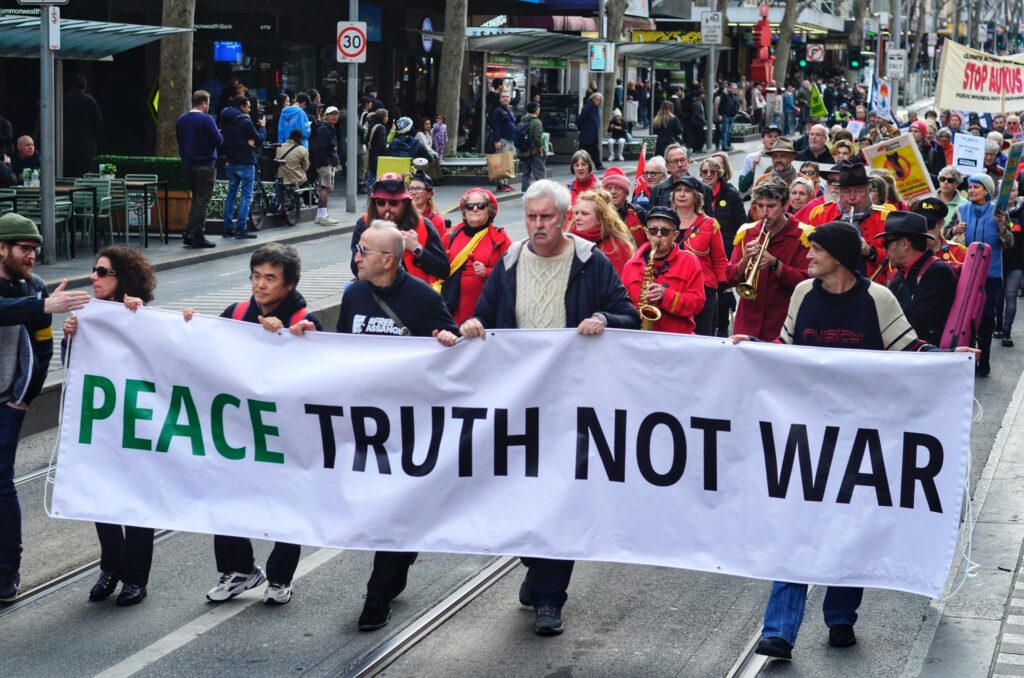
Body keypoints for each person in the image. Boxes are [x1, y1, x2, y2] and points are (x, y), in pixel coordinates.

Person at [734, 221, 978, 662]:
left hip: (863, 436)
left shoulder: (877, 298)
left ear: (840, 257)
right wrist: (749, 345)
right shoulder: (803, 294)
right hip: (807, 434)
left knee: (850, 526)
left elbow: (910, 350)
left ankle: (841, 617)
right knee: (795, 526)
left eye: (816, 250)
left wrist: (949, 360)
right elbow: (783, 350)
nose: (808, 256)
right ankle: (779, 631)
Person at [440, 180, 639, 636]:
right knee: (519, 496)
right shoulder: (509, 263)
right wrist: (471, 325)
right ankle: (536, 566)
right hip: (519, 403)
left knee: (560, 500)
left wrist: (603, 318)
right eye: (531, 216)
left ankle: (550, 596)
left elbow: (626, 312)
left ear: (565, 218)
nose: (538, 224)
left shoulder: (591, 263)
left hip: (572, 405)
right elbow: (484, 314)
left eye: (547, 216)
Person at [290, 221, 458, 631]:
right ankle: (402, 553)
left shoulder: (422, 298)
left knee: (396, 509)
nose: (356, 257)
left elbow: (453, 347)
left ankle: (377, 596)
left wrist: (449, 340)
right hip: (365, 424)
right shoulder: (354, 294)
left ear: (388, 259)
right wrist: (312, 335)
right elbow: (343, 348)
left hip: (409, 426)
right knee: (375, 509)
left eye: (364, 251)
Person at [199, 244, 322, 606]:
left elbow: (320, 374)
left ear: (290, 284)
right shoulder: (236, 313)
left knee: (286, 501)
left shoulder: (305, 320)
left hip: (285, 433)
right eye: (256, 276)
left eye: (270, 278)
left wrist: (286, 338)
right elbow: (203, 350)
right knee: (226, 495)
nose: (260, 285)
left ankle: (281, 577)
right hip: (238, 428)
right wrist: (188, 326)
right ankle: (239, 569)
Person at [0, 215, 90, 601]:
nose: (32, 255)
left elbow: (42, 346)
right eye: (25, 248)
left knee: (2, 484)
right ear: (1, 248)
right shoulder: (36, 296)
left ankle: (7, 571)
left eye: (35, 249)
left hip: (6, 402)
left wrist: (23, 398)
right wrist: (41, 305)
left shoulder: (35, 286)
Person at [62, 248, 156, 606]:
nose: (94, 277)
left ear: (123, 279)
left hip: (136, 424)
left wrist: (140, 319)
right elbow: (74, 367)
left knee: (137, 499)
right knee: (101, 496)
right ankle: (111, 567)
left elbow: (163, 360)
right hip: (101, 424)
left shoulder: (141, 315)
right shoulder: (88, 314)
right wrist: (70, 338)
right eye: (94, 270)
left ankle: (136, 577)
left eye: (103, 272)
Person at [727, 180, 811, 341]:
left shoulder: (804, 235)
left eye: (771, 206)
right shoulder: (746, 232)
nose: (764, 213)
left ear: (785, 204)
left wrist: (776, 265)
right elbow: (730, 278)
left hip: (782, 325)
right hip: (747, 324)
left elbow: (806, 284)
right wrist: (744, 260)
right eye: (760, 206)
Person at [950, 174, 1012, 376]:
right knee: (966, 318)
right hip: (965, 272)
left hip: (990, 275)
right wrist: (954, 230)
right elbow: (946, 235)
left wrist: (1002, 227)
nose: (971, 190)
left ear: (987, 190)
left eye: (976, 187)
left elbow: (1009, 243)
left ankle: (984, 361)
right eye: (970, 187)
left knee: (986, 318)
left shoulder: (999, 212)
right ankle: (967, 360)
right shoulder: (961, 210)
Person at [349, 173, 449, 283]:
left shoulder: (424, 225)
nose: (387, 208)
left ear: (405, 203)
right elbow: (355, 268)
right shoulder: (364, 223)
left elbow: (444, 270)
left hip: (413, 291)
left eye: (393, 203)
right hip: (372, 290)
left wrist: (417, 248)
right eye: (380, 203)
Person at [875, 212, 956, 346]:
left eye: (886, 243)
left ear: (905, 244)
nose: (884, 250)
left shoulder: (938, 272)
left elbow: (914, 322)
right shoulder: (899, 274)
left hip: (923, 353)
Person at [621, 206, 705, 333]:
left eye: (665, 231)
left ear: (675, 235)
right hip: (640, 335)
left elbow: (697, 303)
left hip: (675, 337)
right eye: (653, 231)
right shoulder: (631, 264)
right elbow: (622, 303)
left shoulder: (689, 261)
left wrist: (666, 296)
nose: (658, 235)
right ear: (646, 233)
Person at [806, 160, 890, 283]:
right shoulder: (819, 214)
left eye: (859, 191)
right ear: (840, 191)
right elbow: (807, 256)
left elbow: (897, 262)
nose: (852, 197)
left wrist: (870, 251)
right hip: (828, 284)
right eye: (847, 191)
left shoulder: (886, 217)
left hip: (871, 286)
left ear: (868, 191)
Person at [439, 189, 512, 324]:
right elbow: (435, 268)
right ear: (464, 211)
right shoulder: (449, 235)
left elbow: (512, 273)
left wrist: (487, 272)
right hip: (451, 308)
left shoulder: (500, 238)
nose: (475, 209)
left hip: (485, 310)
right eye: (470, 206)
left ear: (489, 210)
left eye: (481, 206)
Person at [672, 176, 728, 335]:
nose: (682, 194)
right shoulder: (666, 221)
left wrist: (724, 290)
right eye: (678, 190)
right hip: (672, 290)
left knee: (702, 338)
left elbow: (719, 260)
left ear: (696, 196)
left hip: (703, 291)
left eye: (687, 191)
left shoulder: (709, 224)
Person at [701, 156, 746, 336]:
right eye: (705, 172)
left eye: (712, 171)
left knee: (723, 293)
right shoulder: (697, 193)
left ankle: (722, 330)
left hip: (725, 253)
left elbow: (742, 225)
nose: (708, 175)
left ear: (719, 173)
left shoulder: (731, 194)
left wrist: (735, 253)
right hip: (704, 254)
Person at [175, 91, 222, 249]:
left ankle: (189, 232)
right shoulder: (207, 119)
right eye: (208, 103)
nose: (208, 106)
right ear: (203, 103)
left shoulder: (181, 120)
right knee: (202, 200)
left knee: (196, 199)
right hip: (205, 164)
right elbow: (218, 140)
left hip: (188, 165)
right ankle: (197, 234)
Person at [218, 95, 266, 239]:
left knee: (231, 194)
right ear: (242, 106)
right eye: (248, 106)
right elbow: (259, 139)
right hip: (245, 161)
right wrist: (263, 127)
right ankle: (241, 228)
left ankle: (228, 228)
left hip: (231, 161)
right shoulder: (244, 121)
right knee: (246, 196)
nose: (250, 109)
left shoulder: (225, 119)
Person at [571, 188, 636, 277]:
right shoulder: (569, 241)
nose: (577, 218)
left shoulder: (614, 248)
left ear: (600, 219)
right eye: (576, 213)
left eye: (584, 214)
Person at [62, 74, 104, 179]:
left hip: (65, 147)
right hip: (86, 149)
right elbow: (99, 123)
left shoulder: (62, 100)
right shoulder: (90, 101)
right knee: (85, 177)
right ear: (84, 86)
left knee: (66, 177)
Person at [310, 106, 341, 226]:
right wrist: (327, 162)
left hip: (325, 162)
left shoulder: (328, 128)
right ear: (325, 116)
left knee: (325, 188)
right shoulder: (324, 129)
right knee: (325, 188)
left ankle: (319, 215)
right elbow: (321, 148)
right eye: (331, 114)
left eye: (336, 114)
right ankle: (324, 216)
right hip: (324, 163)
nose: (334, 116)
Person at [602, 167, 646, 247]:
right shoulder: (597, 214)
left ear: (626, 192)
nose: (613, 192)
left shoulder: (638, 212)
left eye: (618, 188)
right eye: (609, 188)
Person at [738, 125, 782, 194]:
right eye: (769, 136)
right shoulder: (751, 158)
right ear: (762, 139)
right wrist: (753, 170)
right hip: (757, 198)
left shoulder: (785, 159)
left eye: (776, 137)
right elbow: (742, 187)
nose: (773, 139)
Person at [490, 92, 518, 192]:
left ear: (510, 99)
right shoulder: (498, 111)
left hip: (511, 140)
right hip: (503, 140)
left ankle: (506, 183)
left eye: (507, 97)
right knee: (502, 163)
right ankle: (500, 185)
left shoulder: (510, 110)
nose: (505, 98)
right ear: (500, 99)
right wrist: (497, 140)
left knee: (508, 163)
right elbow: (496, 126)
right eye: (503, 97)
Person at [518, 101, 546, 193]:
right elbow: (538, 138)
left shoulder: (522, 120)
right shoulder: (537, 122)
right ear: (536, 110)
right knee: (539, 174)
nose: (539, 110)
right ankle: (543, 193)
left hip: (523, 151)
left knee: (526, 174)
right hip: (534, 152)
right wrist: (541, 150)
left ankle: (524, 192)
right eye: (538, 108)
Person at [408, 173, 447, 237]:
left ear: (429, 194)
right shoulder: (401, 215)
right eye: (411, 188)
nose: (413, 192)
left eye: (418, 189)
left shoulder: (436, 220)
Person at [275, 128, 311, 196]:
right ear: (300, 139)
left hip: (281, 179)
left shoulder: (279, 147)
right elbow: (305, 168)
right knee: (307, 187)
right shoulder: (302, 150)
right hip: (297, 180)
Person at [577, 92, 604, 171]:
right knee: (584, 151)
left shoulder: (596, 108)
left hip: (593, 134)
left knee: (594, 150)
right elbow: (581, 119)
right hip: (586, 133)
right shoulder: (587, 107)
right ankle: (584, 166)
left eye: (599, 100)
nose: (597, 101)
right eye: (596, 99)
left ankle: (598, 165)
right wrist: (582, 129)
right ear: (592, 98)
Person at [365, 109, 390, 189]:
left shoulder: (372, 125)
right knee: (377, 177)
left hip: (371, 155)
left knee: (371, 176)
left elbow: (366, 140)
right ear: (383, 117)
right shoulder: (381, 128)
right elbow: (381, 144)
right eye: (386, 116)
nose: (387, 118)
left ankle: (370, 193)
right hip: (378, 157)